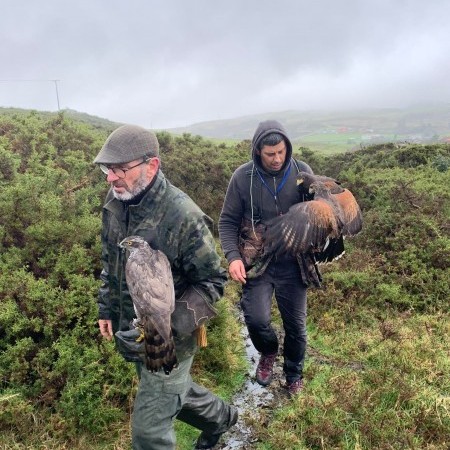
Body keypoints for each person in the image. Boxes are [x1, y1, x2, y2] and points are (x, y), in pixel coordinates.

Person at [94, 124, 237, 450]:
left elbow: (212, 282)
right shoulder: (118, 200)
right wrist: (107, 307)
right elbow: (111, 260)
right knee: (173, 388)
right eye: (107, 169)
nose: (110, 178)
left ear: (152, 165)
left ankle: (212, 417)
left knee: (148, 435)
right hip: (132, 332)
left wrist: (160, 331)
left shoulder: (182, 215)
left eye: (120, 169)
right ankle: (222, 418)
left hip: (170, 338)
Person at [218, 120, 314, 397]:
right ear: (258, 150)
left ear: (287, 147)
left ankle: (294, 374)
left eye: (281, 152)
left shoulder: (302, 172)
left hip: (294, 263)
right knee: (257, 319)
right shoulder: (242, 177)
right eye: (270, 153)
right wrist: (233, 257)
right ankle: (268, 352)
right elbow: (227, 221)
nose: (277, 159)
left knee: (296, 326)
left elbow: (318, 214)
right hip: (257, 263)